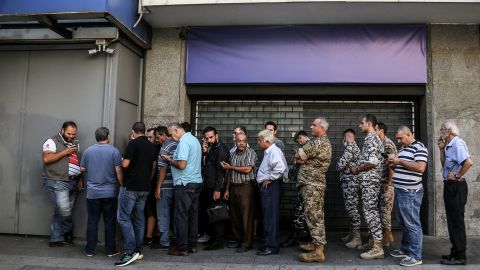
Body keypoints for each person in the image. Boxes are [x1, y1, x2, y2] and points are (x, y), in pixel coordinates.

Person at [115, 122, 157, 267]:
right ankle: (138, 250)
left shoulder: (132, 144)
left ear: (133, 132)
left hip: (131, 187)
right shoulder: (151, 146)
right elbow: (153, 166)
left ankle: (129, 251)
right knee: (139, 218)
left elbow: (125, 164)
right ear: (144, 132)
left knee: (123, 217)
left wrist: (121, 161)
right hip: (145, 187)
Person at [387, 126, 427, 267]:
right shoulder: (404, 149)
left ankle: (416, 256)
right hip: (400, 190)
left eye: (400, 138)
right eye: (397, 138)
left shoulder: (419, 148)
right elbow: (401, 169)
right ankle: (405, 249)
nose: (398, 141)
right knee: (403, 222)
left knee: (412, 224)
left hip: (410, 192)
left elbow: (420, 168)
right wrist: (392, 165)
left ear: (409, 134)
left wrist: (400, 161)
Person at [80, 127, 122, 257]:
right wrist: (122, 184)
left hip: (93, 193)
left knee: (92, 221)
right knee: (109, 221)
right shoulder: (114, 151)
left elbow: (82, 168)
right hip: (110, 193)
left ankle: (89, 250)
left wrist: (93, 171)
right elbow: (118, 171)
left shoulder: (88, 151)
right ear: (107, 136)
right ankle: (110, 250)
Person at [295, 118, 332, 263]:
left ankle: (318, 252)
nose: (311, 127)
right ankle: (315, 244)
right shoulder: (322, 142)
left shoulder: (317, 142)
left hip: (312, 185)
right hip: (314, 184)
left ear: (322, 128)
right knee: (314, 214)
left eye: (314, 125)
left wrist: (303, 158)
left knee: (314, 216)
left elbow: (298, 155)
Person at [164, 123, 203, 256]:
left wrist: (170, 160)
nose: (170, 137)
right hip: (196, 182)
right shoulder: (195, 140)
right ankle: (192, 245)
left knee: (181, 216)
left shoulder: (184, 142)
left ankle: (182, 248)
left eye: (170, 134)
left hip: (184, 183)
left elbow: (181, 165)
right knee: (193, 216)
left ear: (176, 130)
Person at [438, 120, 473, 265]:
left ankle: (460, 256)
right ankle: (455, 252)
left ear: (449, 131)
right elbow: (445, 165)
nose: (440, 133)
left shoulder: (457, 143)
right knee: (452, 221)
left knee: (456, 222)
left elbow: (468, 162)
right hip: (450, 185)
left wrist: (458, 175)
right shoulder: (449, 146)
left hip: (456, 187)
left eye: (442, 130)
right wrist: (441, 149)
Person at [42, 121, 82, 247]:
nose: (71, 136)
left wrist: (80, 178)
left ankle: (56, 239)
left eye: (73, 134)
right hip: (57, 181)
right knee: (64, 210)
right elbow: (47, 159)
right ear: (62, 130)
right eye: (69, 133)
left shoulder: (73, 144)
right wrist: (65, 152)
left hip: (73, 182)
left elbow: (75, 162)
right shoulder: (52, 141)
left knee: (60, 211)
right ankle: (68, 232)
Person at [351, 114, 384, 260]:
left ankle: (378, 248)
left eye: (361, 123)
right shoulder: (373, 138)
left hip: (370, 181)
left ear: (369, 123)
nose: (359, 125)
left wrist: (357, 169)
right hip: (370, 181)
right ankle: (372, 242)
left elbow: (373, 162)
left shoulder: (371, 138)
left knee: (371, 213)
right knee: (370, 212)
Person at [221, 132, 257, 253]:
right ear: (235, 142)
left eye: (243, 141)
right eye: (239, 141)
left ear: (246, 141)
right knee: (235, 215)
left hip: (246, 187)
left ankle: (247, 243)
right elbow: (230, 174)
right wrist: (227, 189)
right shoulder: (233, 154)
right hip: (234, 187)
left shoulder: (251, 152)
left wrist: (230, 167)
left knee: (246, 217)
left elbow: (247, 169)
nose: (241, 143)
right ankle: (238, 239)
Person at [256, 129, 288, 256]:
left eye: (260, 140)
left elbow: (280, 168)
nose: (258, 143)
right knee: (268, 217)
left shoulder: (273, 151)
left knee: (270, 217)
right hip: (269, 188)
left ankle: (272, 246)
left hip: (270, 188)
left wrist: (270, 178)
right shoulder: (270, 151)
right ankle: (270, 243)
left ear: (267, 141)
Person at [200, 127, 230, 250]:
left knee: (217, 212)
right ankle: (213, 238)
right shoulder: (212, 148)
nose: (209, 140)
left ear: (217, 135)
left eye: (211, 137)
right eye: (207, 138)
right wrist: (205, 152)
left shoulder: (221, 149)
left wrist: (218, 189)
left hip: (215, 187)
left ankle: (218, 241)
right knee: (211, 212)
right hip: (209, 185)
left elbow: (221, 172)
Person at [281, 130, 310, 248]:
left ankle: (299, 239)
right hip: (303, 184)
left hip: (308, 185)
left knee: (301, 214)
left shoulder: (309, 145)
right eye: (298, 140)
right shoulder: (304, 147)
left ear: (303, 137)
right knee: (300, 213)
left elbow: (304, 161)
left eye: (299, 139)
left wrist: (297, 159)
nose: (299, 141)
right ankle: (298, 238)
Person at [152, 126, 176, 250]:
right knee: (175, 214)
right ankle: (176, 238)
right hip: (176, 185)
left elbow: (162, 168)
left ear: (163, 135)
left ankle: (165, 241)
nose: (157, 140)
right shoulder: (178, 144)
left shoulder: (165, 146)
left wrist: (158, 187)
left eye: (157, 137)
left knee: (163, 215)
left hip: (166, 186)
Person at [337, 129, 362, 249]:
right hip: (349, 183)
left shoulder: (350, 147)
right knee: (350, 208)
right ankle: (352, 234)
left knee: (352, 209)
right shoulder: (353, 148)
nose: (344, 141)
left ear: (347, 137)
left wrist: (344, 164)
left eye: (344, 138)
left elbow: (339, 165)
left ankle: (357, 238)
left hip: (351, 183)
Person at [375, 122, 398, 247]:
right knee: (381, 210)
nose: (374, 132)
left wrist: (388, 183)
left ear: (381, 130)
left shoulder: (388, 144)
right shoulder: (379, 144)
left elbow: (392, 165)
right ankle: (386, 236)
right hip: (381, 182)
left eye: (376, 129)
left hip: (387, 184)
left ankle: (388, 236)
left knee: (385, 210)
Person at [144, 127, 161, 246]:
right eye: (147, 137)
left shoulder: (156, 149)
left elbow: (154, 167)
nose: (148, 139)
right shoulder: (151, 149)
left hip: (153, 184)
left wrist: (148, 181)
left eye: (150, 137)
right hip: (151, 184)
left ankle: (149, 236)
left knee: (151, 210)